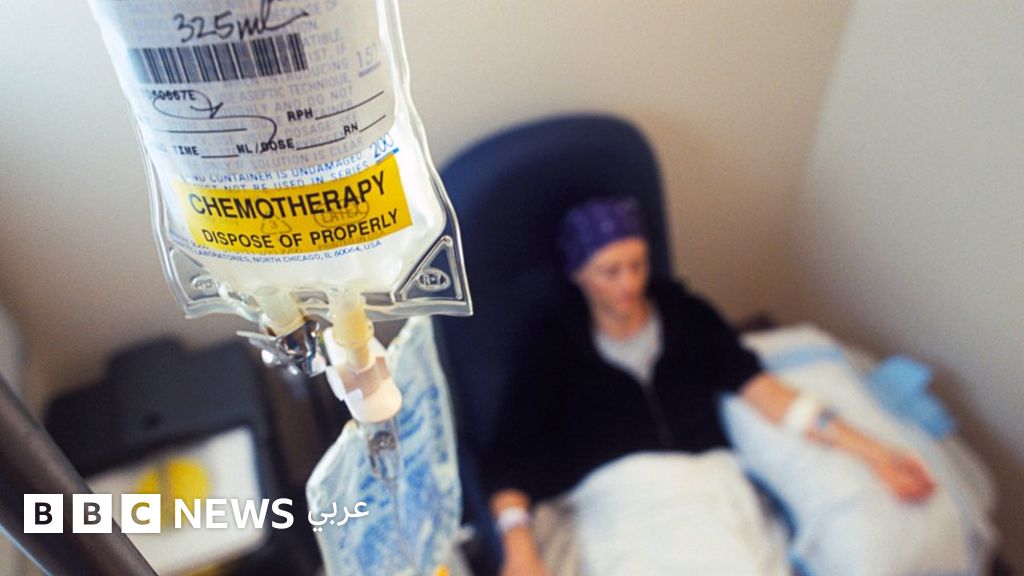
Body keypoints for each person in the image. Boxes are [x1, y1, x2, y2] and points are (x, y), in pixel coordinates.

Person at [482, 197, 935, 576]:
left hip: (710, 487)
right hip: (620, 497)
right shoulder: (551, 344)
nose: (630, 283)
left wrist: (875, 454)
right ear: (579, 273)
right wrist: (519, 547)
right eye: (610, 271)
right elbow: (511, 450)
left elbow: (766, 392)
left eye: (638, 265)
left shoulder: (688, 316)